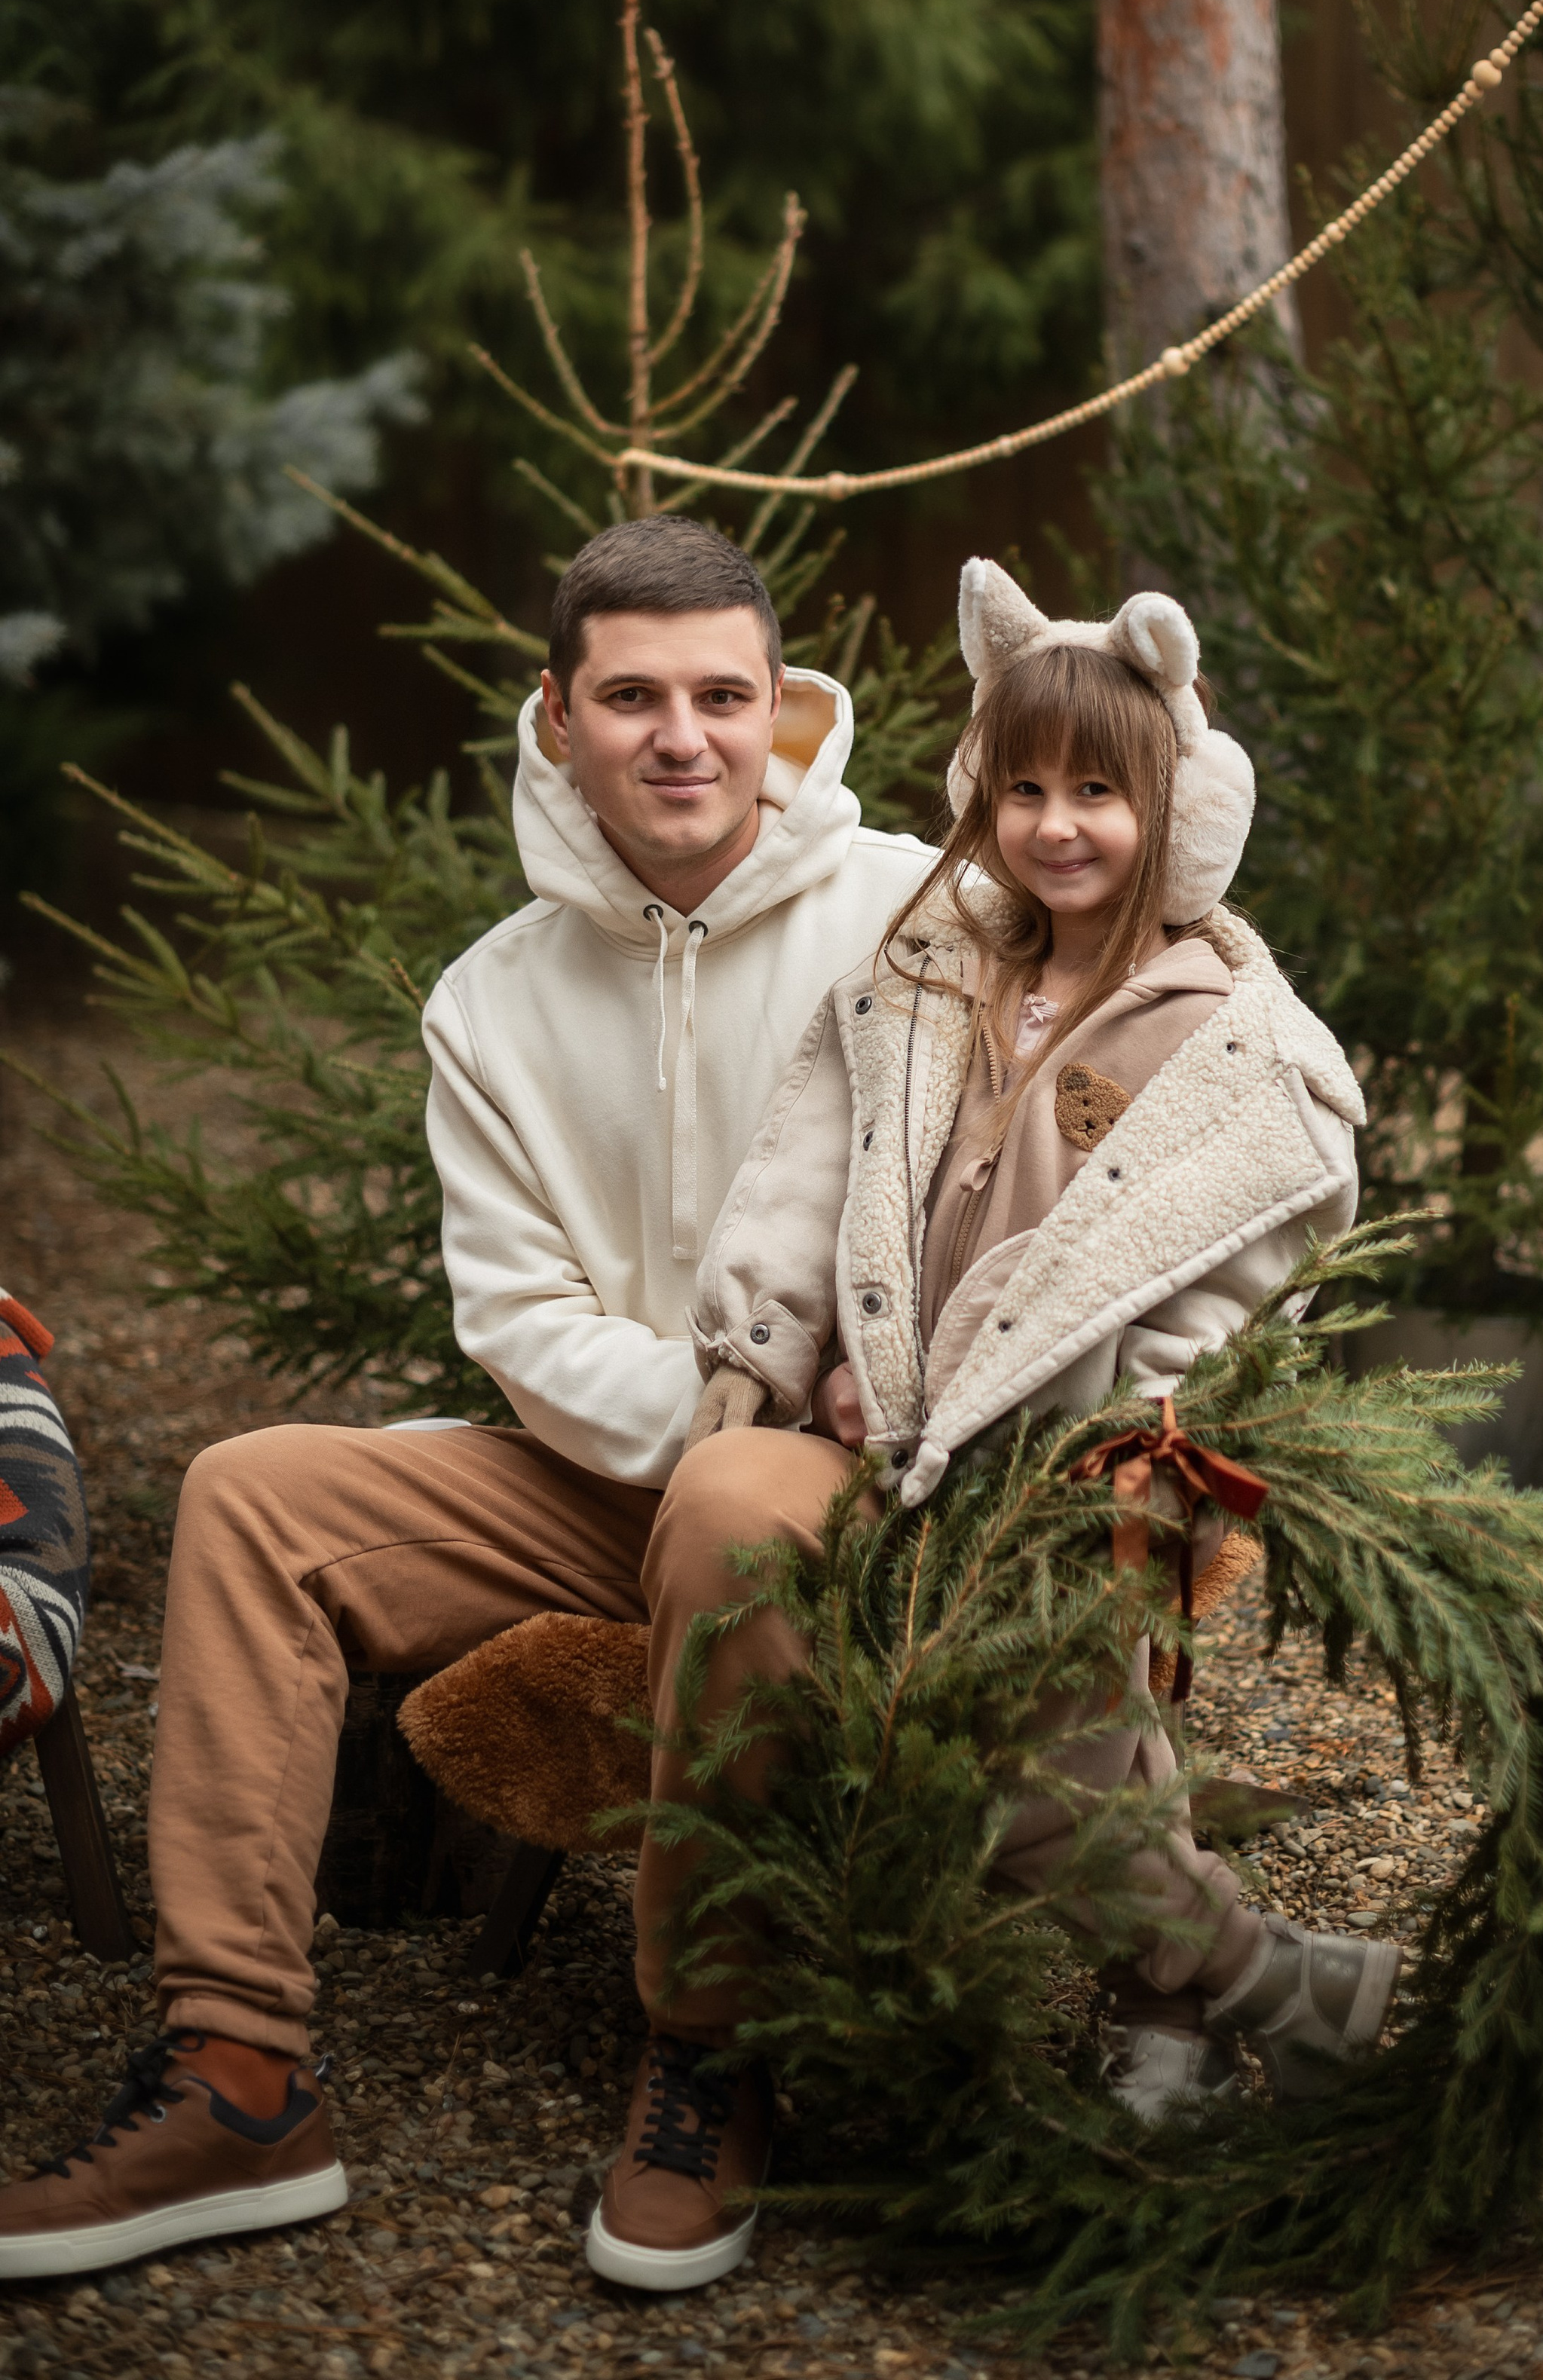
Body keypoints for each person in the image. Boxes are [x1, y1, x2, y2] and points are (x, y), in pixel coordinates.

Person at [0, 516, 934, 2293]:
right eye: (634, 696)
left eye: (722, 697)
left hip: (842, 1473)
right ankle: (240, 2070)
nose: (684, 737)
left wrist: (838, 1409)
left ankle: (709, 2054)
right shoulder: (493, 1000)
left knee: (740, 1508)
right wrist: (710, 1407)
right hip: (615, 1466)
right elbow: (522, 1321)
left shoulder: (906, 912)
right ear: (559, 719)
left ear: (783, 713)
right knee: (256, 1491)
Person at [688, 558, 1399, 2131]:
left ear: (1175, 806)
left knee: (1045, 1728)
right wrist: (790, 1339)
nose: (1054, 824)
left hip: (1070, 1451)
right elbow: (825, 1172)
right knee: (940, 1709)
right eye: (1020, 788)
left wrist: (1125, 1399)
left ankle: (1181, 1985)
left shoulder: (1210, 1023)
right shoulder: (939, 971)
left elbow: (1234, 1241)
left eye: (1096, 789)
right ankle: (1262, 1980)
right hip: (882, 1424)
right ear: (976, 794)